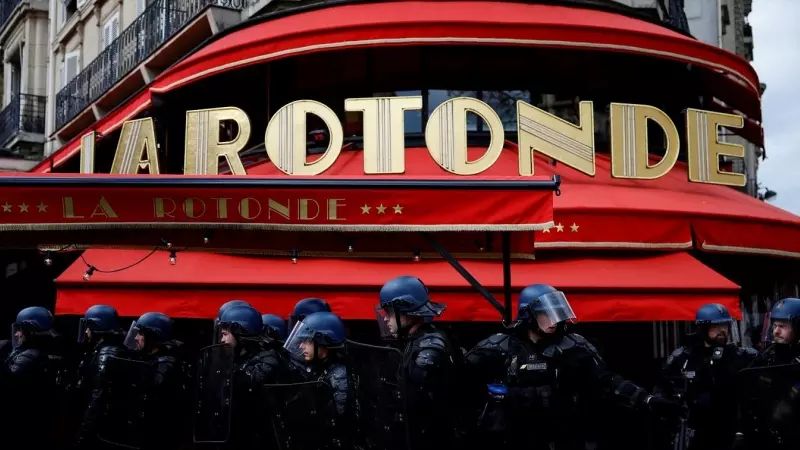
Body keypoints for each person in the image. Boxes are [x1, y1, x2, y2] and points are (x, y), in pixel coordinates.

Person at [465, 284, 683, 450]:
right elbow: (460, 383)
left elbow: (607, 381)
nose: (555, 319)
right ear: (528, 314)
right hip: (509, 436)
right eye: (547, 314)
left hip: (562, 436)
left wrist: (647, 399)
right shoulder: (498, 346)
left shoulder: (572, 346)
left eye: (557, 313)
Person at [349, 275, 463, 450]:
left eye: (389, 312)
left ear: (406, 312)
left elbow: (417, 403)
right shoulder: (409, 342)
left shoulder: (429, 346)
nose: (385, 318)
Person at [654, 303, 758, 450]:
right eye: (716, 326)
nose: (722, 331)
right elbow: (663, 390)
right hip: (693, 432)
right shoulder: (683, 357)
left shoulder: (740, 356)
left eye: (725, 325)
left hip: (729, 432)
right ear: (702, 328)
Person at [269, 311, 354, 449]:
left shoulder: (339, 376)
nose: (301, 346)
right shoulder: (319, 369)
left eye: (307, 341)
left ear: (323, 341)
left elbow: (335, 424)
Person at [216, 304, 286, 448]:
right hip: (233, 436)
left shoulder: (268, 358)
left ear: (239, 332)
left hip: (259, 439)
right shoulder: (235, 359)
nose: (222, 340)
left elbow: (251, 384)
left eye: (225, 334)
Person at [737, 298, 800, 450]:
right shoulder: (767, 355)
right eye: (774, 325)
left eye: (782, 326)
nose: (775, 331)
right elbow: (747, 389)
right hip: (764, 437)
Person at [123, 312, 186, 450]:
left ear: (152, 337)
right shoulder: (150, 361)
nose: (136, 338)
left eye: (140, 333)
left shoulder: (164, 367)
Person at [0, 306, 61, 446]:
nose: (16, 335)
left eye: (20, 330)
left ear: (30, 331)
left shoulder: (29, 357)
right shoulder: (43, 353)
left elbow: (7, 386)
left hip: (21, 424)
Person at [73, 304, 128, 449]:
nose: (86, 331)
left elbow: (98, 396)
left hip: (100, 428)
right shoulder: (103, 350)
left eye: (88, 327)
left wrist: (83, 433)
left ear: (97, 327)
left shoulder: (106, 353)